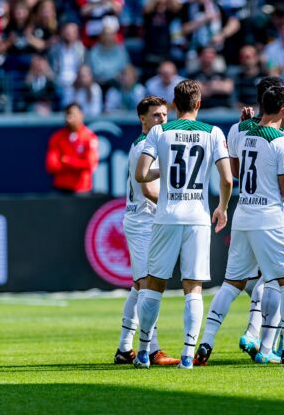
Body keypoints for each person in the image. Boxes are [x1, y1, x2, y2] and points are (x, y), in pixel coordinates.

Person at [196, 83, 284, 367]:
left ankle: (205, 344)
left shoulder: (239, 131)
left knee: (232, 283)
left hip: (244, 212)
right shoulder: (282, 141)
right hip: (271, 217)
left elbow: (234, 172)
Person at [133, 80, 233, 369]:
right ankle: (188, 355)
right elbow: (227, 179)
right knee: (194, 287)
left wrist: (163, 169)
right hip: (197, 218)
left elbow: (141, 175)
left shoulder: (159, 131)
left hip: (166, 215)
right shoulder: (213, 133)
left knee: (154, 285)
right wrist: (222, 208)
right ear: (199, 103)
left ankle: (143, 352)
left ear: (174, 105)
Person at [114, 96, 180, 367]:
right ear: (142, 118)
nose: (162, 120)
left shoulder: (155, 143)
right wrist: (174, 205)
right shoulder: (144, 146)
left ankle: (124, 348)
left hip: (147, 221)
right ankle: (152, 349)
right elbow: (148, 190)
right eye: (155, 115)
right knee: (146, 287)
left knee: (138, 286)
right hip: (142, 222)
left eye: (164, 115)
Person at [45, 103, 100, 194]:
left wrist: (68, 161)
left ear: (81, 115)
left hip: (81, 189)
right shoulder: (57, 137)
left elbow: (90, 164)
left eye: (73, 114)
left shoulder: (89, 137)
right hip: (60, 188)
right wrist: (77, 164)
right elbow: (52, 164)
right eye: (67, 115)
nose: (69, 118)